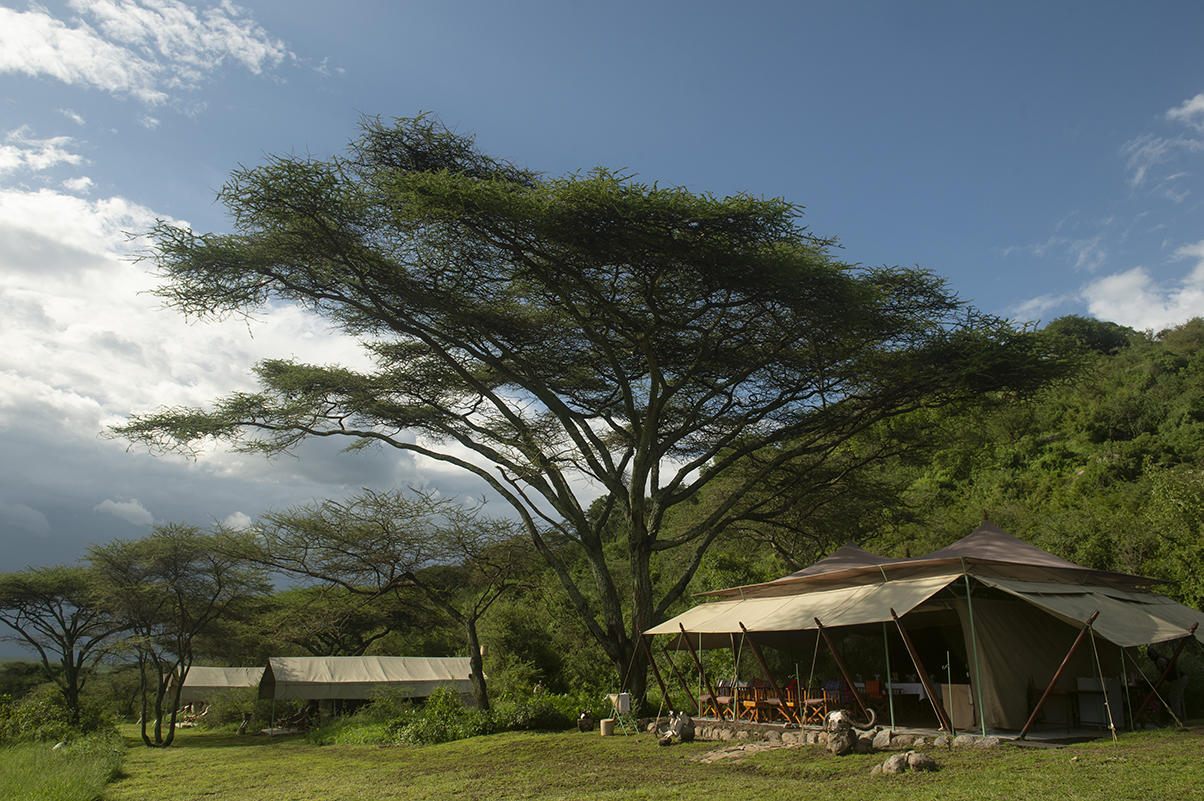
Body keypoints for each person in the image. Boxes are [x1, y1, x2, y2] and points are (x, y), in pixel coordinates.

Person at [1151, 648, 1188, 723]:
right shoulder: (1160, 659)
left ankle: (1178, 716)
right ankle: (1177, 715)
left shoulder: (1160, 660)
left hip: (1179, 679)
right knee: (1173, 697)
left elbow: (1165, 671)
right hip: (1176, 680)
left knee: (1175, 698)